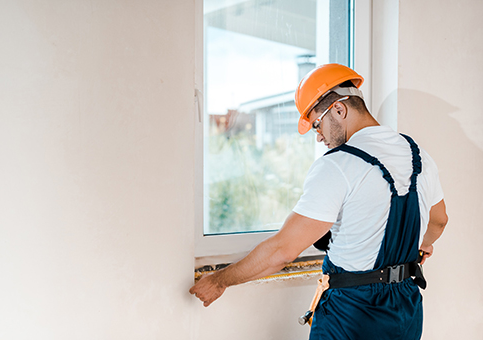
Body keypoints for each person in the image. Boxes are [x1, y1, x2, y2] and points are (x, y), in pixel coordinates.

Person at [189, 63, 448, 340]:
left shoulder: (338, 164)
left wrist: (219, 280)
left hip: (354, 314)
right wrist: (418, 247)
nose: (318, 135)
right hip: (406, 309)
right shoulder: (417, 154)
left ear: (339, 109)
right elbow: (438, 221)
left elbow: (282, 251)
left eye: (317, 123)